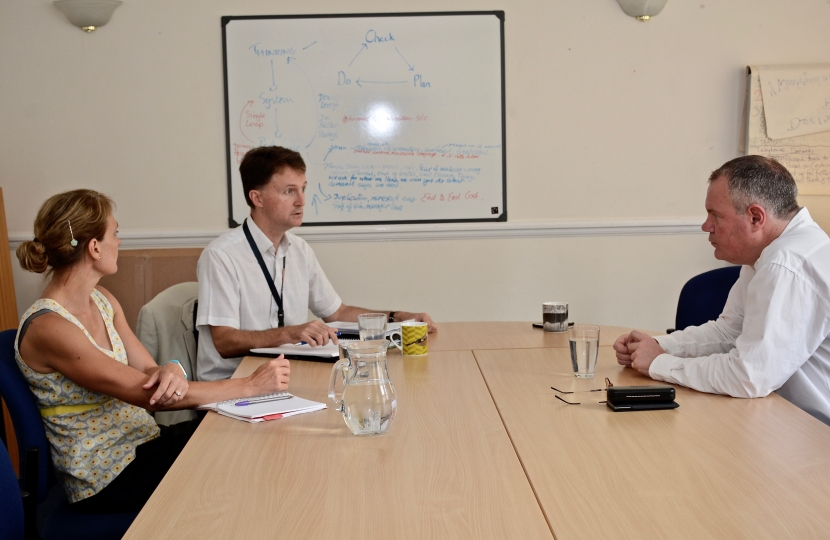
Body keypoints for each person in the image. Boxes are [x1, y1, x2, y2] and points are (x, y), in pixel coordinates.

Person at [15, 189, 291, 513]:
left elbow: (150, 372)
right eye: (114, 233)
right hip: (106, 476)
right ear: (93, 247)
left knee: (238, 436)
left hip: (142, 444)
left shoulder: (101, 299)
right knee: (233, 457)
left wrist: (171, 367)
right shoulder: (50, 327)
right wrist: (248, 386)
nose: (119, 241)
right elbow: (149, 396)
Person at [613, 155, 830, 425]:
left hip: (815, 436)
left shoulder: (786, 265)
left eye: (715, 215)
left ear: (755, 217)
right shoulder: (771, 252)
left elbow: (749, 376)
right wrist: (657, 346)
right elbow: (729, 333)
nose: (707, 226)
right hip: (782, 418)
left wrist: (659, 364)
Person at [196, 146, 437, 381]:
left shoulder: (299, 250)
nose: (301, 201)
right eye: (289, 191)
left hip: (284, 378)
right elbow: (224, 342)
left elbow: (338, 313)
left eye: (303, 189)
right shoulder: (221, 256)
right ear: (257, 197)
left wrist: (398, 317)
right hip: (231, 385)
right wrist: (291, 333)